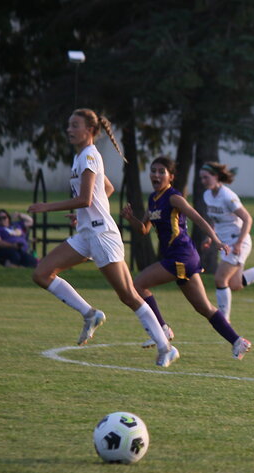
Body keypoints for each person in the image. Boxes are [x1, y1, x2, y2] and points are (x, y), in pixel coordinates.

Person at [28, 108, 179, 367]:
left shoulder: (88, 156)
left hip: (102, 234)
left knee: (128, 295)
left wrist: (46, 207)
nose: (69, 129)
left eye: (75, 125)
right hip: (87, 232)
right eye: (69, 124)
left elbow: (85, 199)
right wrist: (82, 216)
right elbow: (105, 189)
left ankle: (166, 348)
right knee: (42, 273)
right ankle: (90, 314)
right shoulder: (81, 157)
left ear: (91, 131)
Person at [120, 156, 252, 360]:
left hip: (180, 256)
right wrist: (131, 219)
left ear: (170, 176)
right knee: (203, 307)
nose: (156, 174)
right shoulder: (153, 199)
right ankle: (238, 342)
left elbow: (197, 218)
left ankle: (162, 329)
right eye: (153, 170)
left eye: (161, 171)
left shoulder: (173, 197)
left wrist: (215, 240)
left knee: (137, 285)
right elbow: (144, 229)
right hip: (180, 258)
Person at [198, 161, 254, 320]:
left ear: (216, 176)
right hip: (225, 243)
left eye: (206, 177)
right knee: (235, 284)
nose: (203, 181)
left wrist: (239, 243)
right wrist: (210, 237)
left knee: (220, 279)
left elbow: (247, 219)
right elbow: (215, 219)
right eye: (201, 178)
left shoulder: (227, 196)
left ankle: (224, 321)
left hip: (236, 242)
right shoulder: (207, 195)